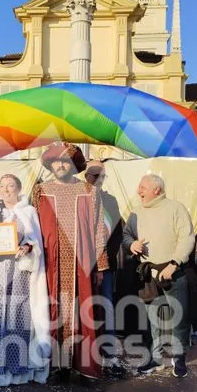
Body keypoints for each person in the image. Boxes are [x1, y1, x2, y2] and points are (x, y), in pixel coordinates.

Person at [32, 142, 109, 384]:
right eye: (57, 161)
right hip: (50, 262)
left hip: (81, 262)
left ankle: (84, 366)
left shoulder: (88, 190)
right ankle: (57, 366)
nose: (61, 165)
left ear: (74, 165)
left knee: (82, 311)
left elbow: (98, 229)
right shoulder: (40, 191)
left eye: (66, 161)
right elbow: (31, 227)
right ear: (50, 164)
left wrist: (101, 265)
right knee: (53, 310)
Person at [0, 174, 50, 386]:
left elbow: (36, 242)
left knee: (19, 319)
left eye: (11, 186)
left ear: (19, 188)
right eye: (3, 186)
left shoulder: (28, 212)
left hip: (20, 273)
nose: (6, 190)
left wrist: (27, 248)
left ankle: (19, 370)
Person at [122, 174, 195, 378]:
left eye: (142, 187)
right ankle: (155, 359)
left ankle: (179, 359)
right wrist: (132, 244)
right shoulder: (136, 212)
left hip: (173, 270)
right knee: (151, 320)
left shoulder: (175, 208)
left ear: (157, 189)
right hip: (148, 272)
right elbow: (126, 235)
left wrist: (174, 263)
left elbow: (187, 238)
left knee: (178, 318)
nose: (139, 191)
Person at [84, 160, 126, 376]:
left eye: (101, 173)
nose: (97, 177)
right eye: (93, 173)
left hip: (104, 265)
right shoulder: (77, 197)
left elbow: (116, 233)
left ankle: (108, 352)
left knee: (106, 304)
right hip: (80, 265)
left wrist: (103, 260)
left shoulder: (110, 201)